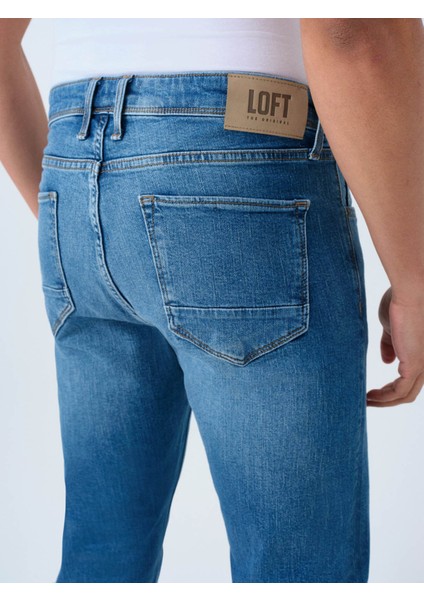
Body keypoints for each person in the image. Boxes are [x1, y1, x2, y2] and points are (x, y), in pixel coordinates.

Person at [0, 17, 423, 584]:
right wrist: (415, 281)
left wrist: (87, 225)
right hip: (240, 155)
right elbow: (350, 31)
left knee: (102, 560)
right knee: (296, 575)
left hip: (72, 172)